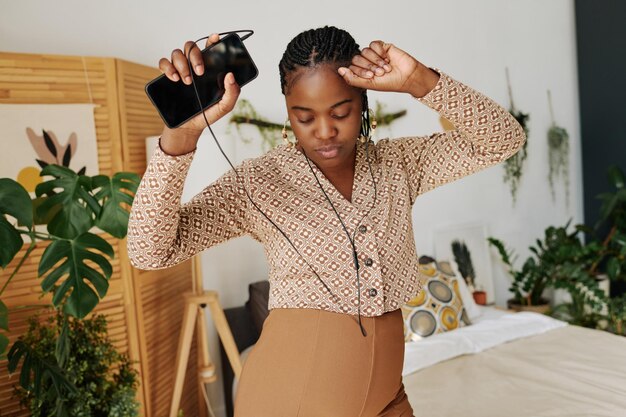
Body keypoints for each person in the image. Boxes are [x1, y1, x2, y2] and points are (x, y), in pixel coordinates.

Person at [127, 25, 526, 417]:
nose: (325, 132)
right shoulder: (258, 183)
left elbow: (503, 139)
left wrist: (419, 80)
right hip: (291, 399)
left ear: (364, 102)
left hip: (389, 398)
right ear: (288, 113)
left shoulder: (400, 164)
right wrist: (181, 138)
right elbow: (149, 251)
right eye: (304, 117)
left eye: (341, 112)